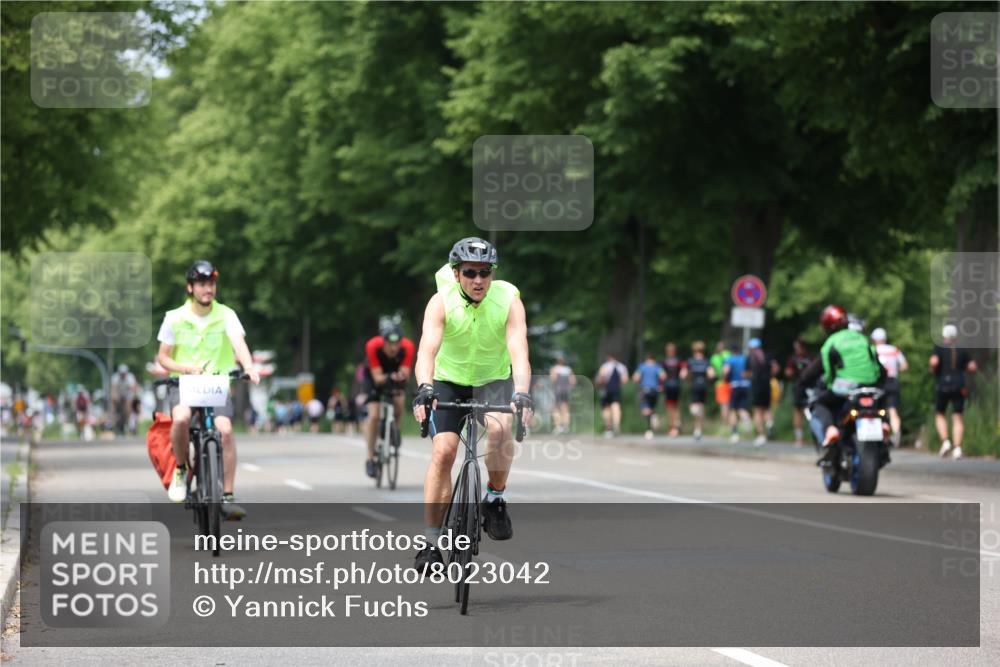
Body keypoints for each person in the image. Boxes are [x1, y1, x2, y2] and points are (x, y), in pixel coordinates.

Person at [411, 238, 532, 572]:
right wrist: (425, 387)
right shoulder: (441, 302)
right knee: (444, 451)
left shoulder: (508, 299)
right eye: (470, 273)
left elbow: (518, 348)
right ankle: (431, 543)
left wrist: (521, 392)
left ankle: (494, 498)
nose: (478, 280)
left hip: (492, 379)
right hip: (449, 379)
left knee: (501, 427)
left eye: (485, 272)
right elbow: (427, 352)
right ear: (456, 273)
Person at [156, 260, 261, 520]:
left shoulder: (226, 314)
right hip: (184, 383)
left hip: (216, 384)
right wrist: (185, 368)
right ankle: (181, 470)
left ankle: (227, 496)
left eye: (212, 283)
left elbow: (239, 343)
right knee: (180, 419)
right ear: (190, 288)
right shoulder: (174, 318)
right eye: (202, 284)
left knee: (224, 431)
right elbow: (163, 358)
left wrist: (249, 367)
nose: (208, 289)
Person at [796, 305, 884, 463]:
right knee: (880, 406)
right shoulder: (863, 339)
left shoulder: (832, 342)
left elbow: (827, 371)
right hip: (870, 386)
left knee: (820, 404)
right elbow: (877, 365)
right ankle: (885, 425)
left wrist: (825, 384)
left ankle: (830, 431)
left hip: (847, 388)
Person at [363, 324, 416, 477]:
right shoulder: (373, 346)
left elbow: (405, 372)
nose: (393, 348)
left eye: (396, 344)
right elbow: (378, 378)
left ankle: (395, 430)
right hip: (375, 377)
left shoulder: (408, 347)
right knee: (373, 416)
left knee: (399, 402)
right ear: (383, 341)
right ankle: (370, 458)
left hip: (395, 374)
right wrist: (388, 377)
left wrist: (401, 376)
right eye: (390, 344)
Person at [930, 324, 977, 459]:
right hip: (959, 386)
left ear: (944, 336)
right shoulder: (962, 349)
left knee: (940, 414)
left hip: (943, 385)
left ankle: (945, 441)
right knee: (957, 416)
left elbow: (933, 362)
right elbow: (972, 366)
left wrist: (933, 370)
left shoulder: (939, 348)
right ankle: (957, 448)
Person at [871, 327, 908, 447]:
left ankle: (881, 431)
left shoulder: (872, 350)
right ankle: (896, 433)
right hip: (892, 381)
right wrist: (895, 370)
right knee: (892, 410)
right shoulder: (894, 350)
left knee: (876, 409)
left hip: (878, 383)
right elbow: (904, 366)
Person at [784, 339, 814, 446]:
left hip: (810, 387)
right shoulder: (793, 359)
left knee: (813, 411)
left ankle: (815, 436)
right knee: (797, 412)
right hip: (799, 387)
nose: (796, 349)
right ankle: (799, 437)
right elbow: (788, 372)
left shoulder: (811, 358)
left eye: (798, 347)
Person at [681, 341, 713, 440]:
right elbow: (711, 374)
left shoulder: (690, 361)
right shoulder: (706, 361)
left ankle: (697, 428)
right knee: (701, 407)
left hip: (694, 386)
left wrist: (689, 377)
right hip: (703, 385)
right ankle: (698, 430)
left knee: (694, 407)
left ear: (694, 350)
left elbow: (683, 375)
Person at [633, 351, 665, 439]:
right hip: (655, 390)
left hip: (645, 390)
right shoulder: (657, 367)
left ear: (647, 359)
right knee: (652, 408)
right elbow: (663, 376)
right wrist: (661, 384)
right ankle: (654, 418)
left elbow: (636, 377)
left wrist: (640, 381)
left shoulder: (642, 367)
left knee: (646, 410)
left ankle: (649, 430)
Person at [723, 344, 751, 443]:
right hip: (746, 385)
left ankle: (734, 433)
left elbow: (726, 371)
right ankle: (746, 418)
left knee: (733, 409)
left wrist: (725, 379)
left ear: (732, 351)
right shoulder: (745, 359)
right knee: (742, 408)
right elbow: (749, 372)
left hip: (735, 385)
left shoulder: (729, 359)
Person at [746, 338, 772, 447]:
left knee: (757, 410)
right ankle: (770, 423)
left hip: (756, 384)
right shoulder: (767, 355)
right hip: (767, 384)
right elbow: (774, 368)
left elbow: (746, 373)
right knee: (766, 408)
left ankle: (761, 435)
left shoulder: (750, 357)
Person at [596, 353, 629, 437]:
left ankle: (608, 427)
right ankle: (616, 425)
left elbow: (601, 378)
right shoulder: (621, 367)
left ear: (609, 358)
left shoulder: (605, 366)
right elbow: (625, 380)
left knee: (606, 408)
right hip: (617, 389)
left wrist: (599, 383)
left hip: (607, 389)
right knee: (616, 406)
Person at [661, 343, 684, 437]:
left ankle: (672, 427)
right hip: (677, 385)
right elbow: (683, 373)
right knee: (676, 406)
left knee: (669, 407)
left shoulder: (664, 362)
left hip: (668, 385)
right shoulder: (679, 361)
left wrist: (661, 385)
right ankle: (677, 424)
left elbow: (662, 376)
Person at [549, 356, 576, 434]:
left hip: (558, 390)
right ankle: (566, 426)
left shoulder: (554, 369)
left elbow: (553, 380)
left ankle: (558, 426)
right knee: (566, 408)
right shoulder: (568, 369)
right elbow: (573, 381)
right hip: (566, 390)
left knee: (556, 408)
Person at [110, 364, 138, 436]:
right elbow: (113, 389)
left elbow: (133, 389)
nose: (122, 375)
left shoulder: (130, 377)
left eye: (124, 374)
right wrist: (115, 398)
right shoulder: (115, 377)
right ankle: (114, 416)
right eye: (121, 374)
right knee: (113, 400)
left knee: (128, 405)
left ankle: (129, 419)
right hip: (119, 394)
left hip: (128, 394)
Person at [709, 341, 731, 429]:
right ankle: (731, 424)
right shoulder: (728, 354)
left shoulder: (714, 358)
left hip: (720, 383)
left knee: (724, 405)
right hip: (731, 382)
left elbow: (711, 373)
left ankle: (725, 424)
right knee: (730, 405)